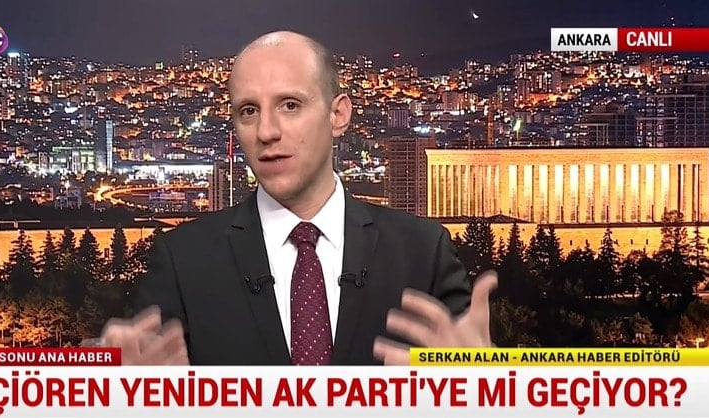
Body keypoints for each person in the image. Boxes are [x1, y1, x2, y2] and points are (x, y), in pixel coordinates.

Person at [101, 30, 497, 365]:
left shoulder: (423, 252)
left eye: (290, 105)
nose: (266, 131)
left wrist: (481, 381)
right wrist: (117, 393)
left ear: (338, 115)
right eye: (248, 111)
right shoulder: (182, 260)